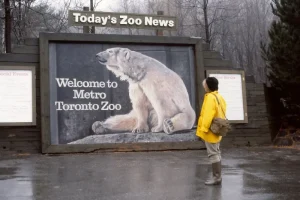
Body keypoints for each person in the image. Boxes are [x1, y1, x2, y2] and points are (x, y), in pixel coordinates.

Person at [196, 77, 227, 185]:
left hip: (210, 130)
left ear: (208, 86)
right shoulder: (219, 96)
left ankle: (216, 177)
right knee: (217, 152)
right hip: (218, 129)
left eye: (205, 84)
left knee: (213, 153)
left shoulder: (210, 97)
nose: (203, 86)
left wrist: (203, 129)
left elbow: (208, 115)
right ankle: (217, 176)